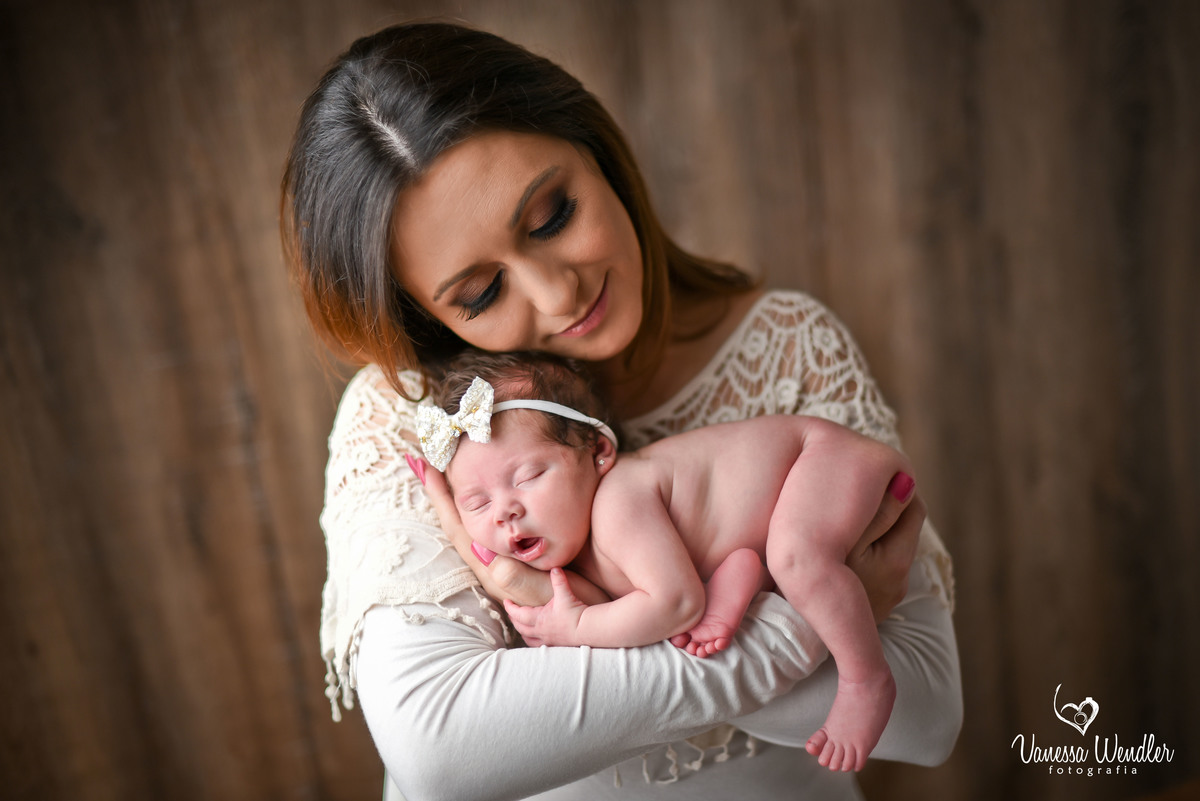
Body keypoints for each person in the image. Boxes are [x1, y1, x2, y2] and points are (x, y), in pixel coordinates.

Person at [281, 20, 961, 801]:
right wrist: (791, 634)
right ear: (428, 317)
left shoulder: (788, 345)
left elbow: (927, 714)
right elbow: (442, 753)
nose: (557, 293)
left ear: (595, 151)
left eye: (552, 216)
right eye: (482, 292)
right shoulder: (419, 419)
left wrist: (573, 618)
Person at [416, 350, 914, 772]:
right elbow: (639, 605)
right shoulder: (585, 547)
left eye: (528, 477)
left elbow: (676, 603)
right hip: (782, 500)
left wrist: (579, 625)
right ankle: (742, 576)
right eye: (476, 503)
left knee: (796, 559)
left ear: (599, 452)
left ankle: (865, 678)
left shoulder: (617, 502)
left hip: (819, 457)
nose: (504, 510)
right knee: (772, 560)